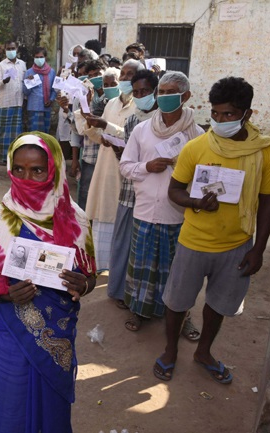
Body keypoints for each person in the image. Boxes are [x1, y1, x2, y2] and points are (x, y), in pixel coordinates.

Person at [0, 132, 96, 433]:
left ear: (54, 169)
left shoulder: (76, 220)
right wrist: (5, 294)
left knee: (51, 409)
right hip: (6, 332)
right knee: (6, 408)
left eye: (37, 170)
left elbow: (90, 275)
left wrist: (83, 284)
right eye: (18, 169)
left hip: (56, 333)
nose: (26, 178)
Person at [154, 77, 270, 384]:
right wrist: (196, 202)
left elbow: (268, 201)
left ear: (247, 114)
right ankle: (170, 351)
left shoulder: (265, 151)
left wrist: (258, 248)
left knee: (219, 305)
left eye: (229, 114)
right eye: (216, 113)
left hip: (236, 244)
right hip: (194, 242)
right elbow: (174, 190)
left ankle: (204, 352)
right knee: (177, 302)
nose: (221, 120)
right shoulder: (196, 147)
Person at [120, 71, 204, 333]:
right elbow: (125, 166)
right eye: (163, 92)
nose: (165, 97)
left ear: (186, 96)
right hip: (145, 210)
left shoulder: (197, 134)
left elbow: (203, 176)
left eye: (171, 92)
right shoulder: (142, 130)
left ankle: (181, 316)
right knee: (142, 266)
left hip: (178, 214)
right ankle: (139, 310)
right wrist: (147, 166)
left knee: (177, 271)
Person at [81, 65, 136, 272]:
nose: (125, 78)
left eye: (130, 75)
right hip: (105, 166)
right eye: (124, 74)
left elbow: (134, 136)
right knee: (103, 212)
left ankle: (118, 266)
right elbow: (98, 137)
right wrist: (91, 124)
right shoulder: (112, 103)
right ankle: (102, 264)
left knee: (119, 215)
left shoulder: (140, 108)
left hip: (124, 170)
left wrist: (107, 127)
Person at [107, 66, 153, 309]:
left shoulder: (164, 121)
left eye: (145, 90)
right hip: (129, 190)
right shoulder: (134, 119)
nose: (140, 95)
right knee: (124, 242)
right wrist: (116, 148)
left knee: (145, 249)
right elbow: (127, 157)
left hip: (153, 195)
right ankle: (120, 291)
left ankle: (141, 298)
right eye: (137, 92)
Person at [69, 59, 105, 210]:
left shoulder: (115, 97)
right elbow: (78, 130)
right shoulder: (84, 97)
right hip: (90, 154)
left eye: (98, 74)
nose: (95, 78)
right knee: (85, 194)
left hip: (107, 155)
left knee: (104, 196)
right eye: (91, 76)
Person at [0, 41, 27, 165]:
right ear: (5, 50)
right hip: (5, 102)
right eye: (8, 48)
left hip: (18, 101)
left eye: (13, 48)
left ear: (17, 49)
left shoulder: (22, 64)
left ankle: (15, 157)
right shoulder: (1, 66)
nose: (11, 50)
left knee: (16, 131)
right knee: (3, 130)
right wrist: (3, 81)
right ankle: (2, 156)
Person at [23, 47, 56, 133]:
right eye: (37, 57)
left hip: (46, 107)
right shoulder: (29, 72)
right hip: (33, 107)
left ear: (45, 57)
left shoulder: (51, 72)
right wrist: (29, 83)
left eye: (41, 57)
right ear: (33, 58)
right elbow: (25, 92)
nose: (39, 59)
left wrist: (51, 100)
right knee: (33, 133)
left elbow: (54, 89)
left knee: (45, 133)